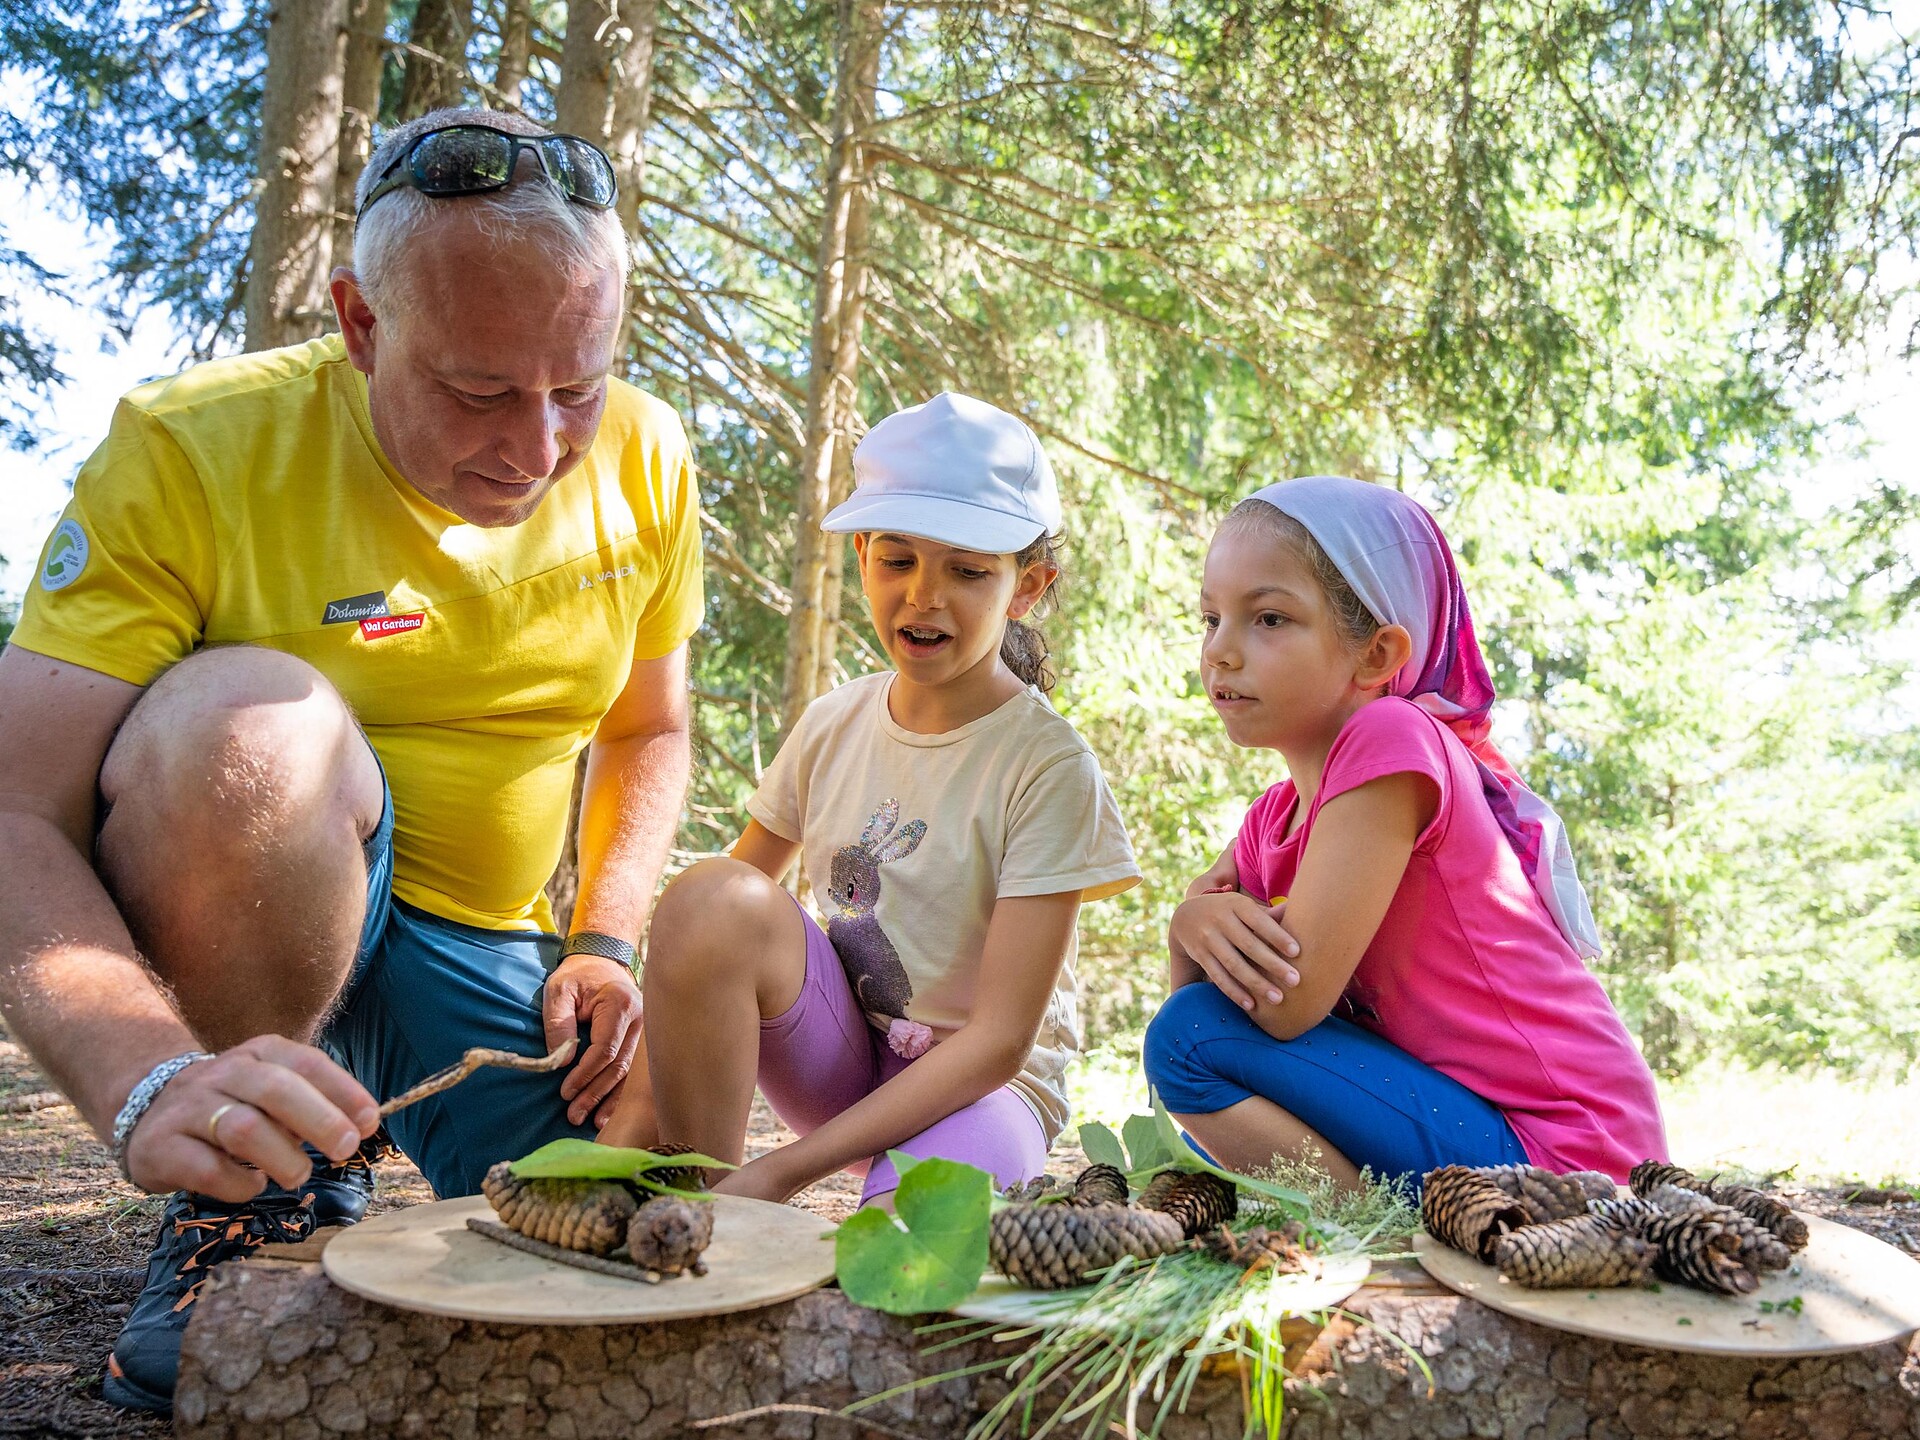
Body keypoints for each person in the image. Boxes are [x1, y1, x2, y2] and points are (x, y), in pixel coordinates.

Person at [0, 109, 703, 1412]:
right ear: (361, 324)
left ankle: (382, 1124)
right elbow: (10, 811)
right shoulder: (190, 450)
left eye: (579, 388)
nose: (541, 451)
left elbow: (647, 730)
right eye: (482, 392)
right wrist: (147, 1077)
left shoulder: (649, 456)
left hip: (479, 951)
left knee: (617, 1248)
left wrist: (604, 939)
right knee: (257, 726)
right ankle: (252, 1185)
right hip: (242, 906)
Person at [599, 394, 1140, 1204]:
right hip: (845, 1062)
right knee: (710, 894)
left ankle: (781, 1206)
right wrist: (621, 1139)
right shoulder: (832, 725)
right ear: (862, 558)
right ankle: (694, 1210)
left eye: (967, 570)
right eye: (899, 560)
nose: (924, 596)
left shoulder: (1047, 766)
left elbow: (998, 1042)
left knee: (905, 1257)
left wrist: (780, 1172)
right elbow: (699, 939)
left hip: (981, 1095)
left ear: (1026, 588)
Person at [1142, 476, 1666, 1191]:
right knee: (1215, 1118)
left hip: (1568, 1154)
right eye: (1210, 619)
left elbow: (1277, 1006)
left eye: (1267, 619)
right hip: (1467, 1125)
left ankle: (1376, 1228)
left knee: (1190, 1046)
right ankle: (1390, 1218)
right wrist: (1187, 928)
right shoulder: (1271, 820)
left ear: (1378, 654)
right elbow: (1219, 1007)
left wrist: (1197, 920)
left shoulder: (1393, 740)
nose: (1221, 652)